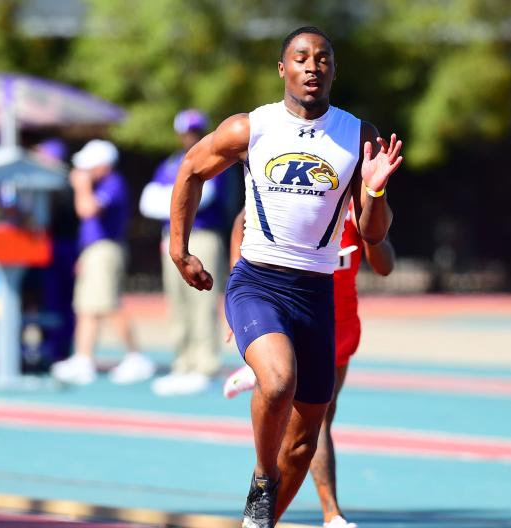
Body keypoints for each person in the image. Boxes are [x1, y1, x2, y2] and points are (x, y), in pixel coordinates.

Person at [167, 27, 402, 528]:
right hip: (258, 282)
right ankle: (260, 480)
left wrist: (376, 191)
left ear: (334, 71)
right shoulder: (250, 128)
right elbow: (189, 170)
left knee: (302, 444)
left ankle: (263, 522)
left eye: (323, 59)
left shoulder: (358, 135)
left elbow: (372, 233)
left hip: (317, 296)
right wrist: (179, 250)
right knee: (277, 383)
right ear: (283, 69)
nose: (312, 66)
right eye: (301, 58)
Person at [223, 204, 395, 528]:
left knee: (320, 420)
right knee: (296, 407)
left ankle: (265, 372)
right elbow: (241, 220)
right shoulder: (303, 186)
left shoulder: (361, 200)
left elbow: (384, 266)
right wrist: (237, 286)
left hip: (338, 324)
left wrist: (372, 232)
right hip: (292, 308)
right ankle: (332, 514)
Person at [140, 110, 231, 396]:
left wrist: (170, 198)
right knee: (178, 302)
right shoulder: (169, 163)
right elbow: (148, 201)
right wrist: (174, 199)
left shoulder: (215, 157)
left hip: (202, 236)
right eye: (187, 132)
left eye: (196, 131)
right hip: (174, 238)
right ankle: (183, 363)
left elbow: (203, 199)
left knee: (201, 303)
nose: (191, 137)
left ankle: (205, 365)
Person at [50, 139, 154, 385]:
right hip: (93, 250)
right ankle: (83, 357)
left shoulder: (113, 184)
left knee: (108, 304)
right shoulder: (101, 184)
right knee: (86, 306)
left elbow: (86, 210)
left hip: (106, 249)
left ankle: (135, 356)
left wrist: (81, 187)